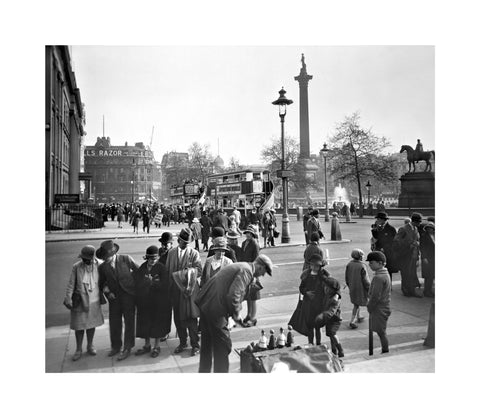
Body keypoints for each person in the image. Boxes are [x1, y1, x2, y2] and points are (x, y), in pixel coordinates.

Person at [195, 254, 274, 373]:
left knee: (207, 345)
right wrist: (236, 314)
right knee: (223, 346)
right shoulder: (246, 271)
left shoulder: (243, 266)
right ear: (260, 267)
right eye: (264, 272)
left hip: (207, 304)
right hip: (215, 308)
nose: (262, 275)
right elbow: (234, 295)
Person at [97, 240, 139, 361]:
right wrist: (107, 292)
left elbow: (138, 272)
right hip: (114, 298)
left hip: (129, 296)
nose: (106, 259)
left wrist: (134, 288)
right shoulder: (103, 267)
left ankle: (127, 347)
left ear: (113, 254)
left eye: (107, 257)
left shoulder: (126, 259)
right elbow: (102, 283)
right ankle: (115, 346)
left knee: (129, 322)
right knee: (114, 322)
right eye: (104, 257)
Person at [63, 245, 105, 361]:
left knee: (91, 325)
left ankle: (90, 345)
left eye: (87, 259)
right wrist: (68, 298)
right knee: (79, 326)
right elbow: (71, 284)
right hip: (80, 300)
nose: (84, 261)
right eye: (83, 258)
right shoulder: (76, 267)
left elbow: (107, 279)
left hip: (94, 300)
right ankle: (78, 349)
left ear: (92, 258)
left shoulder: (100, 264)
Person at [165, 227, 202, 356]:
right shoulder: (171, 253)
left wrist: (187, 274)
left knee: (191, 319)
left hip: (189, 291)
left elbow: (199, 270)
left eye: (187, 242)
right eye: (183, 242)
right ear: (178, 240)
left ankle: (195, 345)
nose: (185, 244)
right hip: (175, 291)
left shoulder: (194, 253)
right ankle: (182, 342)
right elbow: (168, 271)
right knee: (178, 318)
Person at [134, 246, 172, 358]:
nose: (152, 261)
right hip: (145, 301)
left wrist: (153, 283)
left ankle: (156, 346)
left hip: (158, 301)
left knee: (157, 324)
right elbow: (137, 282)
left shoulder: (161, 268)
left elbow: (165, 285)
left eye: (154, 259)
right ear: (147, 258)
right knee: (145, 323)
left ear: (158, 258)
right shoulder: (142, 267)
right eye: (150, 259)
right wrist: (144, 282)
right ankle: (147, 345)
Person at [299, 253, 330, 346]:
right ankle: (310, 343)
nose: (314, 267)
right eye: (312, 265)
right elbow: (301, 287)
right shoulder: (306, 275)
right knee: (310, 326)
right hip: (308, 304)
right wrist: (306, 292)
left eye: (316, 265)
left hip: (319, 304)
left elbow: (328, 288)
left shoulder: (323, 276)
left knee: (317, 326)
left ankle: (319, 343)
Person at [366, 251, 392, 354]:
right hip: (384, 306)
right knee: (381, 331)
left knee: (381, 332)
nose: (370, 265)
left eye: (372, 262)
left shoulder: (378, 277)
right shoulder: (385, 273)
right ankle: (384, 349)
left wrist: (369, 307)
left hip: (379, 308)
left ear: (380, 263)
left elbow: (375, 296)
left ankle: (385, 350)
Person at [393, 213, 422, 297]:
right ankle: (406, 291)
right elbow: (396, 241)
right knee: (405, 273)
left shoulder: (415, 228)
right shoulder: (404, 229)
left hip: (413, 255)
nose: (419, 224)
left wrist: (417, 244)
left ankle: (412, 291)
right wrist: (409, 244)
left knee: (412, 273)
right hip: (405, 255)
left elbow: (416, 239)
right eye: (419, 222)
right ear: (414, 221)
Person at [315, 276, 344, 357]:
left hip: (335, 319)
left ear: (332, 289)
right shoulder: (328, 295)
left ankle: (340, 349)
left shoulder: (335, 300)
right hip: (329, 319)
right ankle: (334, 351)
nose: (325, 289)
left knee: (332, 334)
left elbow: (331, 312)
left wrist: (322, 316)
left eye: (327, 288)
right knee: (330, 335)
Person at [241, 224, 261, 327]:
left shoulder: (255, 244)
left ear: (253, 234)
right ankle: (249, 315)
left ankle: (253, 317)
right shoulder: (244, 243)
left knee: (253, 296)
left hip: (252, 272)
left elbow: (256, 260)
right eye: (247, 233)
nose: (248, 235)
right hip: (245, 271)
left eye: (250, 233)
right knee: (248, 295)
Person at [345, 249, 370, 329]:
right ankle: (352, 321)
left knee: (356, 302)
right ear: (359, 256)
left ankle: (359, 316)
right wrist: (369, 288)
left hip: (352, 287)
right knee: (361, 303)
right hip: (361, 288)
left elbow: (347, 277)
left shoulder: (349, 264)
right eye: (362, 255)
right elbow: (365, 280)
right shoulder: (362, 266)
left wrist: (349, 285)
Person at [370, 212, 397, 280]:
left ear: (383, 220)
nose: (377, 221)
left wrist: (383, 248)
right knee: (378, 272)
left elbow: (393, 242)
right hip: (378, 253)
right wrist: (374, 230)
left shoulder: (391, 229)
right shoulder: (377, 228)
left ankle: (388, 288)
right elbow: (375, 239)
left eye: (378, 219)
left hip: (387, 254)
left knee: (387, 273)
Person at [420, 221, 435, 297]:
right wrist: (424, 257)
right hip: (427, 259)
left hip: (433, 258)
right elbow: (422, 248)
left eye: (431, 228)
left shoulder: (434, 236)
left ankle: (429, 291)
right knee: (428, 276)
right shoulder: (424, 236)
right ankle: (426, 291)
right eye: (428, 228)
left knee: (432, 275)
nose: (430, 230)